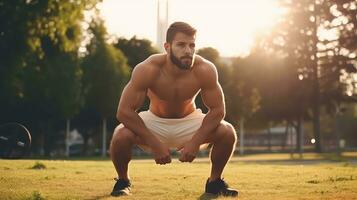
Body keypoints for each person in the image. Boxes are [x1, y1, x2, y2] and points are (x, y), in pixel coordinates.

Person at [110, 21, 238, 197]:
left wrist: (195, 141)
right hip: (154, 122)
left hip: (189, 121)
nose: (188, 50)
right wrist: (154, 143)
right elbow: (124, 111)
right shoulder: (147, 69)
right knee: (120, 134)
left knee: (227, 131)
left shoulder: (205, 69)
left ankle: (214, 182)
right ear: (167, 47)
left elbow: (218, 110)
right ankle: (123, 181)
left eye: (192, 45)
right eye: (181, 45)